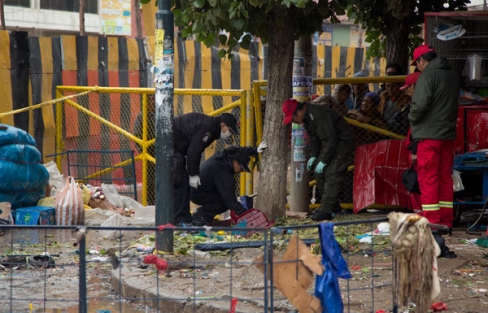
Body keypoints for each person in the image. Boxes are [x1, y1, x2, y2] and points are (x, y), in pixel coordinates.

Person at [409, 44, 460, 230]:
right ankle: (446, 221)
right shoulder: (452, 75)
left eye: (418, 64)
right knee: (445, 178)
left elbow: (420, 105)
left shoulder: (427, 76)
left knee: (428, 178)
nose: (418, 68)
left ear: (423, 61)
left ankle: (432, 221)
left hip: (429, 136)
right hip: (447, 135)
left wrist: (412, 119)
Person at [282, 99, 355, 221]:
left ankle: (326, 209)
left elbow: (330, 139)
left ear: (299, 112)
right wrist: (315, 156)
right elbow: (314, 138)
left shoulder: (318, 115)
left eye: (292, 118)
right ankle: (334, 207)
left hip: (342, 143)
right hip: (331, 144)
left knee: (333, 173)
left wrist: (324, 160)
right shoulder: (307, 117)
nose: (293, 122)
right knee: (318, 172)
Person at [173, 112, 239, 225]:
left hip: (175, 147)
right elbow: (194, 151)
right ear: (223, 126)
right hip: (171, 146)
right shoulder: (208, 129)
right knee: (180, 182)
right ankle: (178, 220)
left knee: (183, 183)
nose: (229, 134)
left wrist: (193, 173)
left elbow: (195, 152)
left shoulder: (211, 128)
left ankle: (184, 218)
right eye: (229, 130)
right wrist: (193, 174)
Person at [191, 143, 267, 226]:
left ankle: (205, 216)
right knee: (225, 203)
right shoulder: (222, 170)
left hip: (201, 189)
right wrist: (246, 215)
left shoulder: (224, 157)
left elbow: (235, 149)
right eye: (242, 168)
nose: (242, 171)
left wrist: (254, 150)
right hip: (198, 193)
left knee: (226, 201)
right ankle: (200, 215)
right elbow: (229, 199)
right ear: (235, 162)